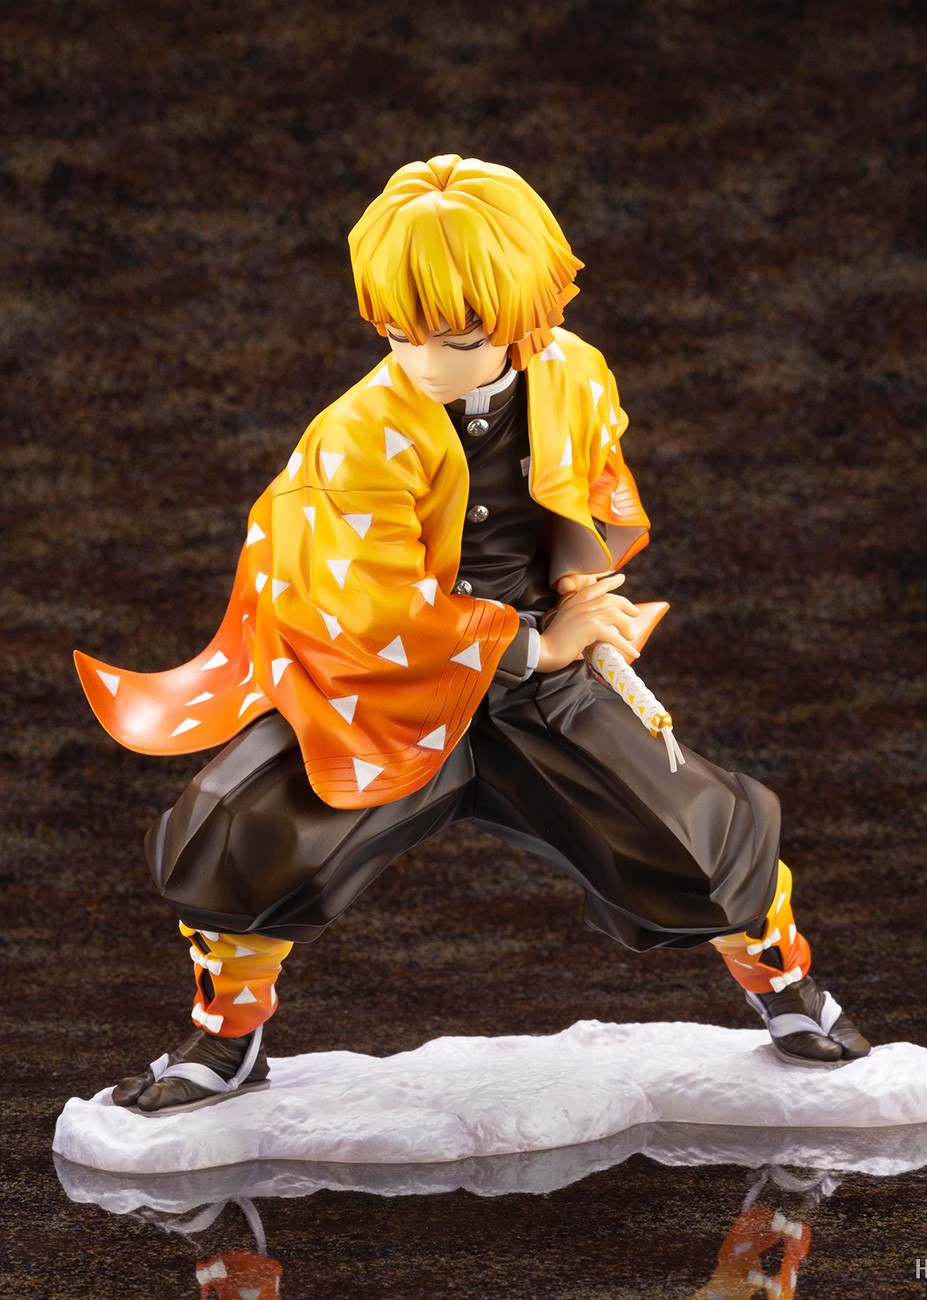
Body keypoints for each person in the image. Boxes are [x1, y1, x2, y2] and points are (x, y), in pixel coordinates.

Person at [75, 155, 869, 1114]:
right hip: (384, 691)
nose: (424, 364)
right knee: (242, 829)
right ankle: (227, 1039)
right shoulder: (356, 436)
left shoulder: (572, 372)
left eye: (455, 338)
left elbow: (587, 488)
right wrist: (543, 643)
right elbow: (367, 605)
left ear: (523, 318)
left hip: (542, 687)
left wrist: (580, 588)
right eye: (398, 333)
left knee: (694, 830)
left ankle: (787, 986)